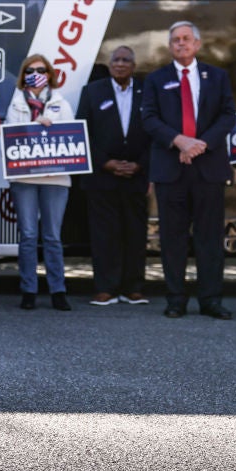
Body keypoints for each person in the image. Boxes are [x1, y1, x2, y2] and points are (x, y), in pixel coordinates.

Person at [141, 21, 236, 319]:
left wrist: (200, 145)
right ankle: (175, 300)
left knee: (209, 238)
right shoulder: (156, 79)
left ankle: (210, 300)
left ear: (197, 44)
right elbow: (149, 118)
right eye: (175, 40)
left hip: (208, 169)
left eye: (186, 39)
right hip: (171, 170)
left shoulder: (217, 76)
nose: (180, 44)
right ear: (170, 46)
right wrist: (179, 141)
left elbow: (228, 116)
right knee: (173, 238)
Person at [76, 46, 152, 306]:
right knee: (104, 235)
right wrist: (106, 163)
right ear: (109, 64)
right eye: (116, 60)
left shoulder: (147, 92)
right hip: (102, 177)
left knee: (135, 233)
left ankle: (133, 288)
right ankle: (105, 288)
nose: (120, 64)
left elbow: (155, 131)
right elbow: (82, 131)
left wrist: (140, 165)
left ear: (133, 65)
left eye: (126, 60)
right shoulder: (93, 92)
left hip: (136, 176)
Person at [5, 54, 75, 312]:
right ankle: (29, 291)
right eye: (31, 70)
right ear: (24, 75)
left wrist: (51, 126)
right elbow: (11, 136)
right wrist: (35, 125)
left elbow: (71, 137)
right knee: (28, 235)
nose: (36, 73)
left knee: (53, 237)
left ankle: (58, 291)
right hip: (24, 177)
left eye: (41, 69)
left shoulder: (60, 103)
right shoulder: (16, 104)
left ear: (49, 74)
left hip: (55, 179)